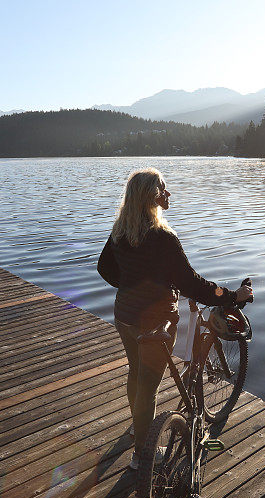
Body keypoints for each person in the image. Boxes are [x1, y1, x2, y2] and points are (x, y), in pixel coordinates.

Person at [97, 168, 252, 470]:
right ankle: (142, 456)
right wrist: (235, 296)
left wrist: (132, 286)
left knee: (136, 373)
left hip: (124, 315)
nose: (168, 194)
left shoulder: (120, 230)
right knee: (149, 384)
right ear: (150, 196)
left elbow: (105, 269)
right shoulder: (163, 238)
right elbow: (193, 284)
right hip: (155, 322)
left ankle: (136, 426)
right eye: (163, 189)